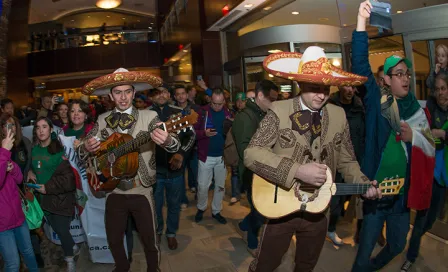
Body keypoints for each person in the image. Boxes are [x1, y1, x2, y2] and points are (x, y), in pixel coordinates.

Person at [244, 45, 381, 272]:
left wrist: (363, 182)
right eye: (314, 87)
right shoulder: (278, 110)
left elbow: (347, 159)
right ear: (299, 84)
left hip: (320, 210)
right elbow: (252, 153)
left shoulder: (338, 115)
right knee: (266, 264)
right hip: (280, 209)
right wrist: (296, 170)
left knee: (306, 265)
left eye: (325, 88)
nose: (321, 95)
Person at [351, 2, 435, 271]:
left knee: (398, 245)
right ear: (386, 80)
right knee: (363, 252)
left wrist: (415, 138)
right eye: (398, 74)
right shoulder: (377, 102)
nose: (405, 79)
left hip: (401, 197)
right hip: (376, 194)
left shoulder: (416, 110)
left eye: (407, 74)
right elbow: (360, 65)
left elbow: (431, 145)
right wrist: (361, 22)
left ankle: (375, 267)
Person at [80, 68, 180, 272]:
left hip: (141, 189)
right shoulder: (102, 120)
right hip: (113, 190)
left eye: (127, 91)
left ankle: (154, 269)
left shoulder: (149, 115)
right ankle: (122, 267)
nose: (123, 97)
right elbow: (83, 151)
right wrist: (86, 148)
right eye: (118, 92)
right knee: (114, 239)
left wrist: (168, 140)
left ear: (134, 94)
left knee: (150, 240)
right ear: (110, 95)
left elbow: (175, 144)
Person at [401, 73, 448, 271]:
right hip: (433, 172)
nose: (440, 93)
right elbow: (423, 134)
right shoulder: (429, 108)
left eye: (443, 88)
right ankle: (411, 255)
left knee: (433, 218)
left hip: (446, 173)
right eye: (437, 89)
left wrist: (443, 133)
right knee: (422, 217)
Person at [233, 80, 278, 254]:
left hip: (264, 172)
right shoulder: (245, 117)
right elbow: (245, 151)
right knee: (259, 211)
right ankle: (252, 241)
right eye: (271, 99)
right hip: (251, 174)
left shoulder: (263, 113)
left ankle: (244, 224)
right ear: (260, 96)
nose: (274, 103)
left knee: (261, 209)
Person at [149, 84, 196, 250]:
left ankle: (171, 233)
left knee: (174, 205)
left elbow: (191, 136)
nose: (161, 95)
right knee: (155, 207)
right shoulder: (145, 115)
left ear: (169, 94)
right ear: (151, 96)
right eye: (157, 93)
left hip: (175, 171)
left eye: (164, 92)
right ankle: (158, 231)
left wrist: (181, 154)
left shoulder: (179, 112)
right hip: (153, 172)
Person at [30, 117, 78, 272]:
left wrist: (48, 188)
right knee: (58, 230)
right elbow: (36, 167)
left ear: (51, 130)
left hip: (60, 198)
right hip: (43, 200)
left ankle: (70, 260)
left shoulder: (59, 149)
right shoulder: (35, 150)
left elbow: (68, 179)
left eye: (44, 127)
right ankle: (73, 246)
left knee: (62, 231)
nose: (41, 130)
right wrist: (30, 172)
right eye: (38, 128)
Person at [327, 86, 370, 246]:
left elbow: (363, 134)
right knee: (335, 201)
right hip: (334, 161)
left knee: (347, 199)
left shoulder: (360, 108)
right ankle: (329, 228)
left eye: (353, 87)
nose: (350, 90)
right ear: (339, 87)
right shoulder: (330, 106)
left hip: (354, 161)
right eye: (347, 86)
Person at [0, 122, 39, 272]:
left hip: (18, 216)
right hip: (2, 225)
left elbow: (18, 179)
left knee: (29, 253)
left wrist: (12, 168)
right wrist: (4, 153)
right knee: (13, 264)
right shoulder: (3, 153)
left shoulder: (3, 154)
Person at [195, 88, 233, 224]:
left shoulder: (228, 112)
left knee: (220, 186)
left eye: (220, 104)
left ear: (224, 101)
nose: (217, 107)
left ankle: (216, 211)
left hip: (222, 157)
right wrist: (204, 133)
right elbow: (192, 132)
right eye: (214, 103)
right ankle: (201, 207)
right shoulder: (202, 112)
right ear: (210, 100)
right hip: (206, 156)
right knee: (203, 186)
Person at [173, 85, 202, 204]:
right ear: (175, 96)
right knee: (179, 175)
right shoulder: (172, 110)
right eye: (178, 94)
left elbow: (200, 126)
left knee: (197, 174)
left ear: (187, 94)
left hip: (194, 147)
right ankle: (183, 200)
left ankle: (199, 197)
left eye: (183, 93)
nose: (181, 96)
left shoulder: (195, 108)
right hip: (179, 148)